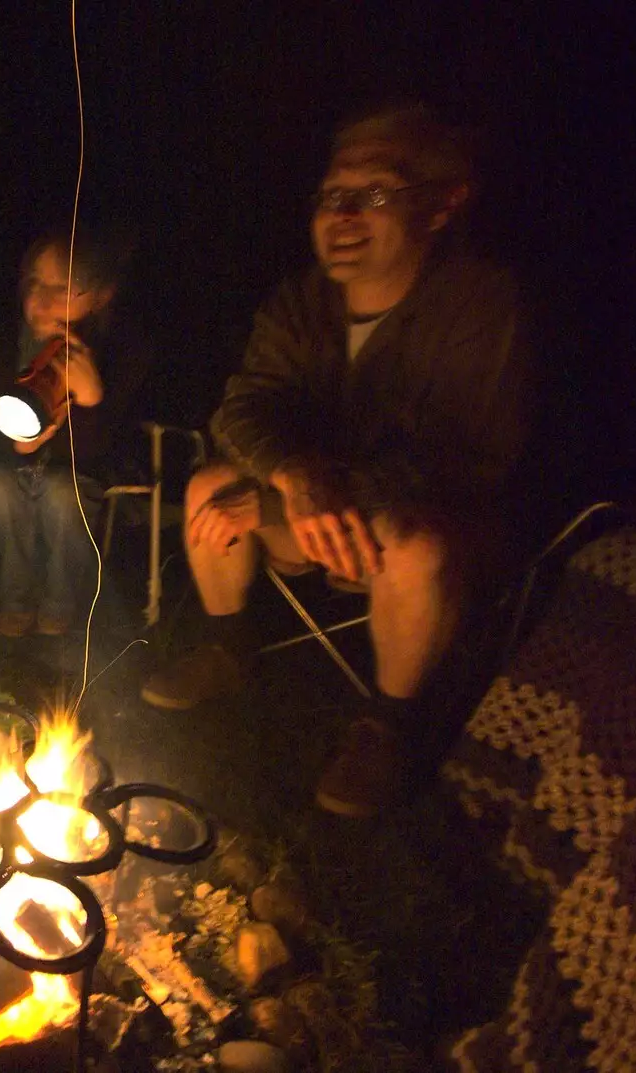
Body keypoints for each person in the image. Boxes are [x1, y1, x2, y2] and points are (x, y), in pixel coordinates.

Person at [140, 103, 532, 817]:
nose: (343, 214)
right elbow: (244, 407)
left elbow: (459, 458)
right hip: (322, 524)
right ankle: (230, 647)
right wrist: (291, 476)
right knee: (209, 486)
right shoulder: (302, 303)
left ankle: (389, 724)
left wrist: (297, 498)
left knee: (415, 547)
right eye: (331, 195)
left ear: (442, 206)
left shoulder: (477, 305)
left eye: (375, 193)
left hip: (429, 531)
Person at [0, 226, 152, 637]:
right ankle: (16, 596)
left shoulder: (121, 350)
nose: (41, 299)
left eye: (63, 287)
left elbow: (105, 451)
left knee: (61, 495)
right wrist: (19, 441)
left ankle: (59, 600)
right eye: (35, 283)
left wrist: (89, 401)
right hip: (10, 466)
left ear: (101, 295)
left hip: (78, 473)